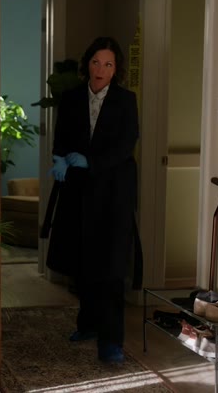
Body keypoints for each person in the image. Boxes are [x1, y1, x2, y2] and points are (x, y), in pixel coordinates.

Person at [44, 36, 142, 364]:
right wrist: (60, 159)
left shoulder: (126, 101)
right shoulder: (72, 98)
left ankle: (111, 341)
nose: (101, 69)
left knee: (111, 268)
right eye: (96, 62)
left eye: (108, 64)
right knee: (83, 263)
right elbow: (61, 139)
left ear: (116, 70)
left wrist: (91, 161)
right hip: (79, 193)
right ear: (88, 64)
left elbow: (126, 145)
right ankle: (87, 325)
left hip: (113, 194)